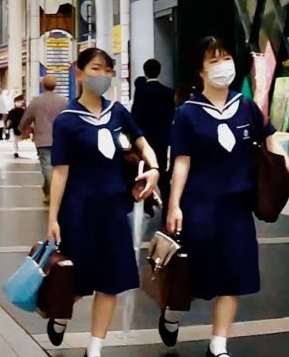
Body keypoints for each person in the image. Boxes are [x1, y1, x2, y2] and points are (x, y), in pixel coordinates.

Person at [162, 37, 289, 357]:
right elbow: (182, 162)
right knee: (196, 276)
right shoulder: (187, 113)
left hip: (236, 208)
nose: (222, 66)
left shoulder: (245, 107)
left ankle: (218, 344)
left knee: (234, 274)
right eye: (214, 60)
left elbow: (271, 144)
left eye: (226, 58)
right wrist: (174, 204)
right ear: (200, 70)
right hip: (199, 207)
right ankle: (172, 313)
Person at [45, 48, 161, 357]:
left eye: (108, 70)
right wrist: (52, 218)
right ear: (79, 73)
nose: (103, 75)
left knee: (110, 282)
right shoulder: (66, 121)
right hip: (77, 212)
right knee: (77, 279)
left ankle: (94, 348)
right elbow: (59, 173)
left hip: (113, 210)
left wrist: (154, 168)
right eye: (96, 68)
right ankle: (59, 312)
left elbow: (141, 141)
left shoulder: (118, 112)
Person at [131, 59, 176, 204]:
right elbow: (171, 116)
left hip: (144, 139)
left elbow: (135, 115)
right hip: (162, 139)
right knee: (162, 173)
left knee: (143, 171)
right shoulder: (168, 92)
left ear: (145, 71)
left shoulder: (141, 92)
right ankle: (165, 207)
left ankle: (147, 204)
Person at [20, 76, 68, 203]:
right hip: (61, 139)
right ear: (55, 85)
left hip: (42, 138)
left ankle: (52, 192)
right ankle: (49, 192)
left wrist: (22, 129)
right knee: (57, 167)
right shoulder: (64, 101)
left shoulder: (37, 101)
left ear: (43, 85)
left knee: (47, 166)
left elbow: (26, 118)